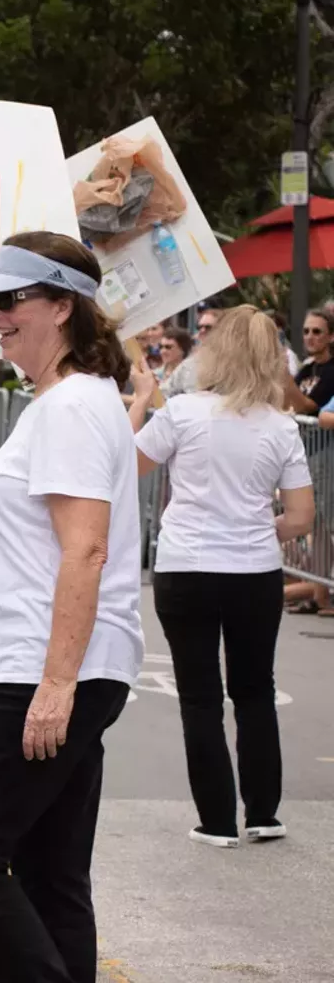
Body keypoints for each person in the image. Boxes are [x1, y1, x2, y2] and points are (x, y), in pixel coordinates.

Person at [0, 233, 142, 983]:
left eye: (11, 299)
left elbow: (85, 550)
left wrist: (55, 684)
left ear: (62, 306)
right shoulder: (64, 401)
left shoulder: (72, 407)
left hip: (48, 669)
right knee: (50, 876)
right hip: (69, 665)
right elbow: (54, 530)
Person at [129, 307, 314, 848]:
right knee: (255, 689)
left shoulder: (183, 411)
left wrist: (141, 400)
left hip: (186, 564)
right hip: (253, 569)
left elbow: (128, 464)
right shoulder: (281, 426)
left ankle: (215, 819)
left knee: (199, 695)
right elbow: (302, 517)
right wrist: (255, 528)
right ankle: (263, 813)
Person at [284, 305, 334, 415]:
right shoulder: (307, 369)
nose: (309, 337)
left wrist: (284, 374)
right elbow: (286, 404)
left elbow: (308, 407)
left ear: (331, 336)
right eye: (306, 331)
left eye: (316, 332)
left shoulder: (331, 371)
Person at [161, 305, 220, 398]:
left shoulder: (232, 363)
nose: (202, 330)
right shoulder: (189, 364)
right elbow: (164, 392)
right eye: (199, 327)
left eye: (208, 327)